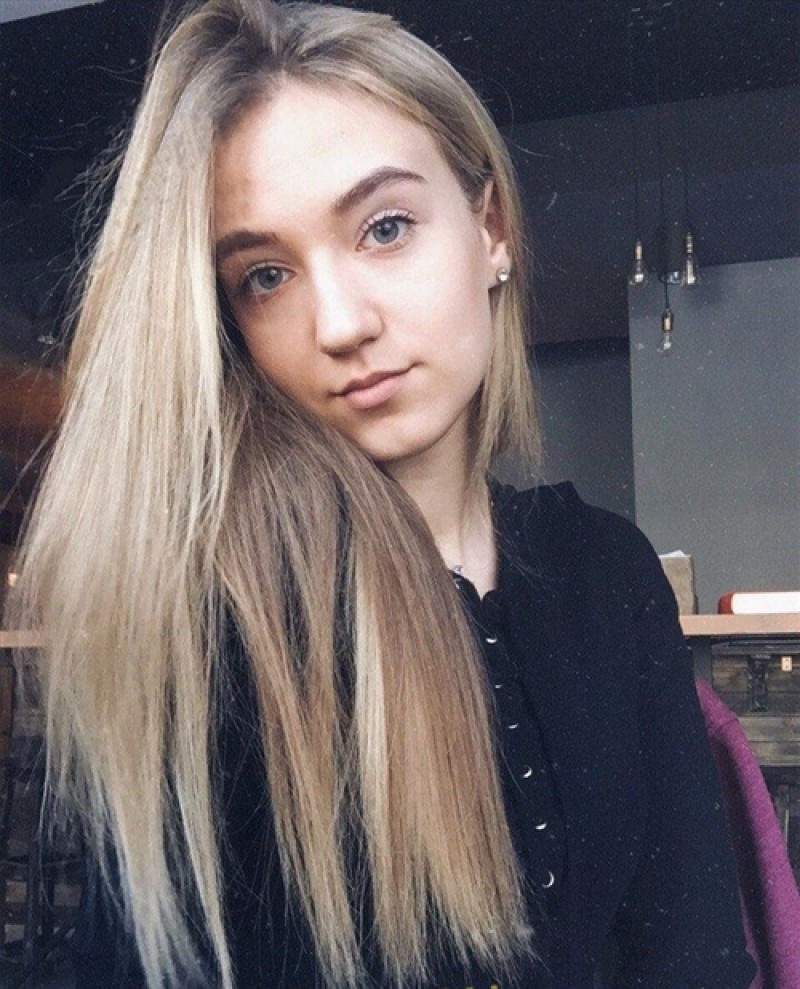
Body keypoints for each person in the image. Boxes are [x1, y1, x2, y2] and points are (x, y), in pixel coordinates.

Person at [8, 2, 757, 987]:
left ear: (490, 228)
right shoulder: (220, 617)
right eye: (265, 275)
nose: (338, 322)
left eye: (385, 227)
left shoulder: (606, 569)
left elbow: (695, 948)